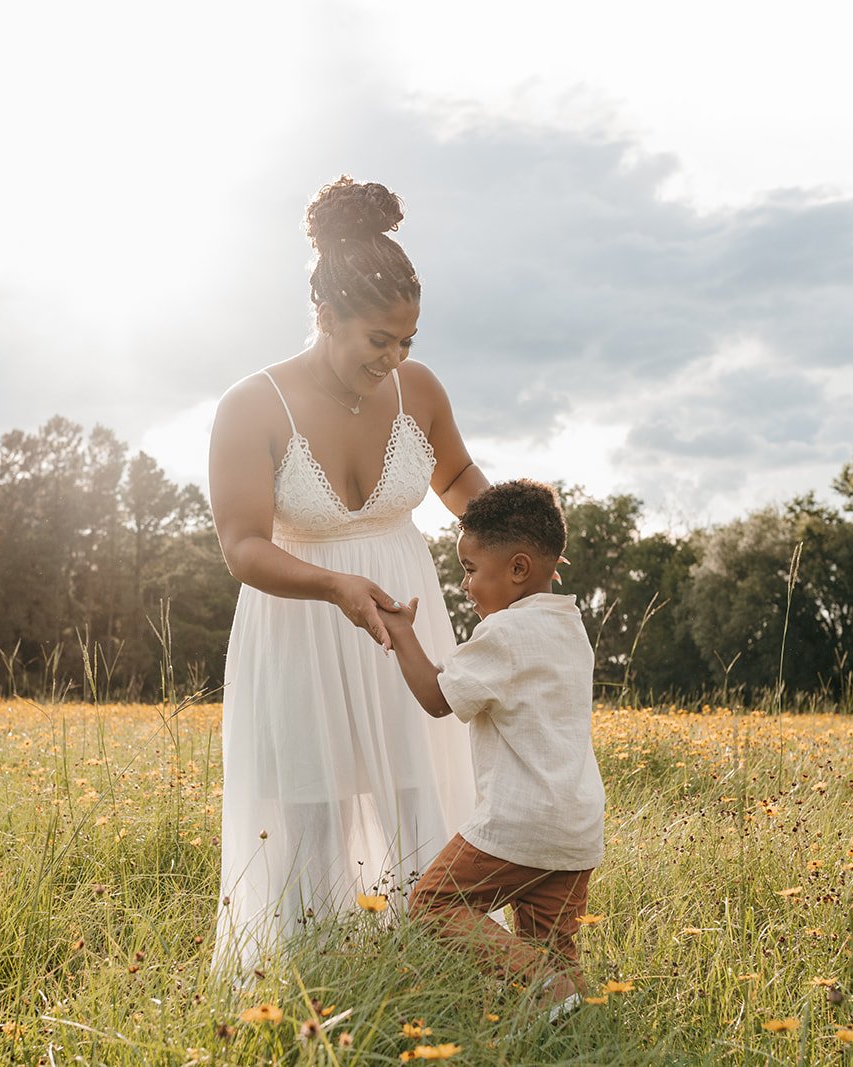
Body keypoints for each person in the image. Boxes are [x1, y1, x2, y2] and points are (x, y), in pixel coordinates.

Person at [207, 176, 488, 973]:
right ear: (325, 316)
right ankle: (312, 974)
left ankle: (438, 968)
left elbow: (459, 477)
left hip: (403, 618)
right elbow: (243, 545)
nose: (395, 357)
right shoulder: (252, 406)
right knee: (314, 810)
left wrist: (512, 531)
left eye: (408, 339)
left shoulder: (419, 390)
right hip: (301, 621)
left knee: (415, 791)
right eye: (378, 339)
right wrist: (335, 587)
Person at [379, 479, 605, 1016]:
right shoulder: (570, 626)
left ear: (519, 569)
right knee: (551, 950)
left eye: (470, 569)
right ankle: (565, 1015)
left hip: (521, 821)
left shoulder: (502, 634)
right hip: (576, 824)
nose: (465, 584)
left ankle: (545, 986)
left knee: (433, 906)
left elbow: (439, 697)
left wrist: (402, 633)